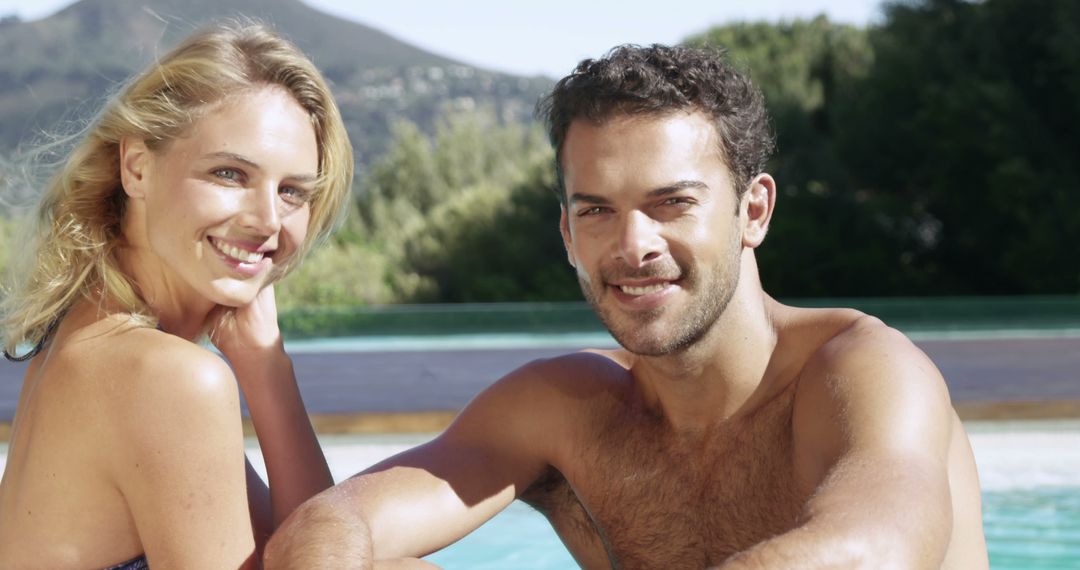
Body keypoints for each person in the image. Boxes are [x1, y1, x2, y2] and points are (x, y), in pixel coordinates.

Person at [265, 44, 988, 569]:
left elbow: (877, 552)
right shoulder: (564, 407)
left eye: (671, 203)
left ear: (753, 210)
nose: (633, 244)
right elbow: (331, 528)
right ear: (568, 234)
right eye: (598, 211)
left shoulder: (861, 372)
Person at [0, 22, 353, 569]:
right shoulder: (167, 378)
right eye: (230, 173)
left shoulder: (80, 338)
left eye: (292, 191)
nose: (267, 221)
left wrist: (266, 368)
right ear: (137, 167)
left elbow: (310, 547)